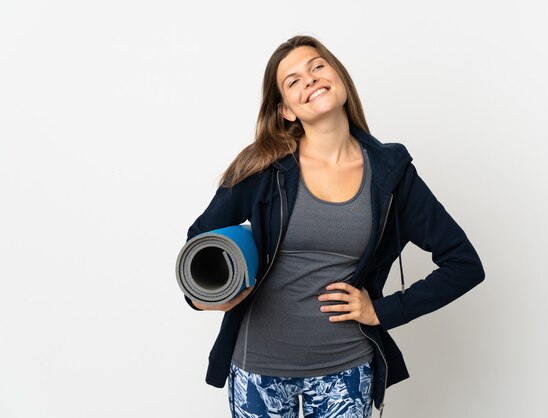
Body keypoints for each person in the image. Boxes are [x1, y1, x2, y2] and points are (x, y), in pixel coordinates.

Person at [182, 34, 485, 418]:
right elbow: (198, 242)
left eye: (317, 66)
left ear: (338, 76)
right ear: (287, 111)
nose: (309, 79)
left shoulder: (391, 174)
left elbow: (464, 264)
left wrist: (383, 310)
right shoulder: (263, 167)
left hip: (346, 371)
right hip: (258, 369)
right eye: (293, 81)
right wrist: (206, 297)